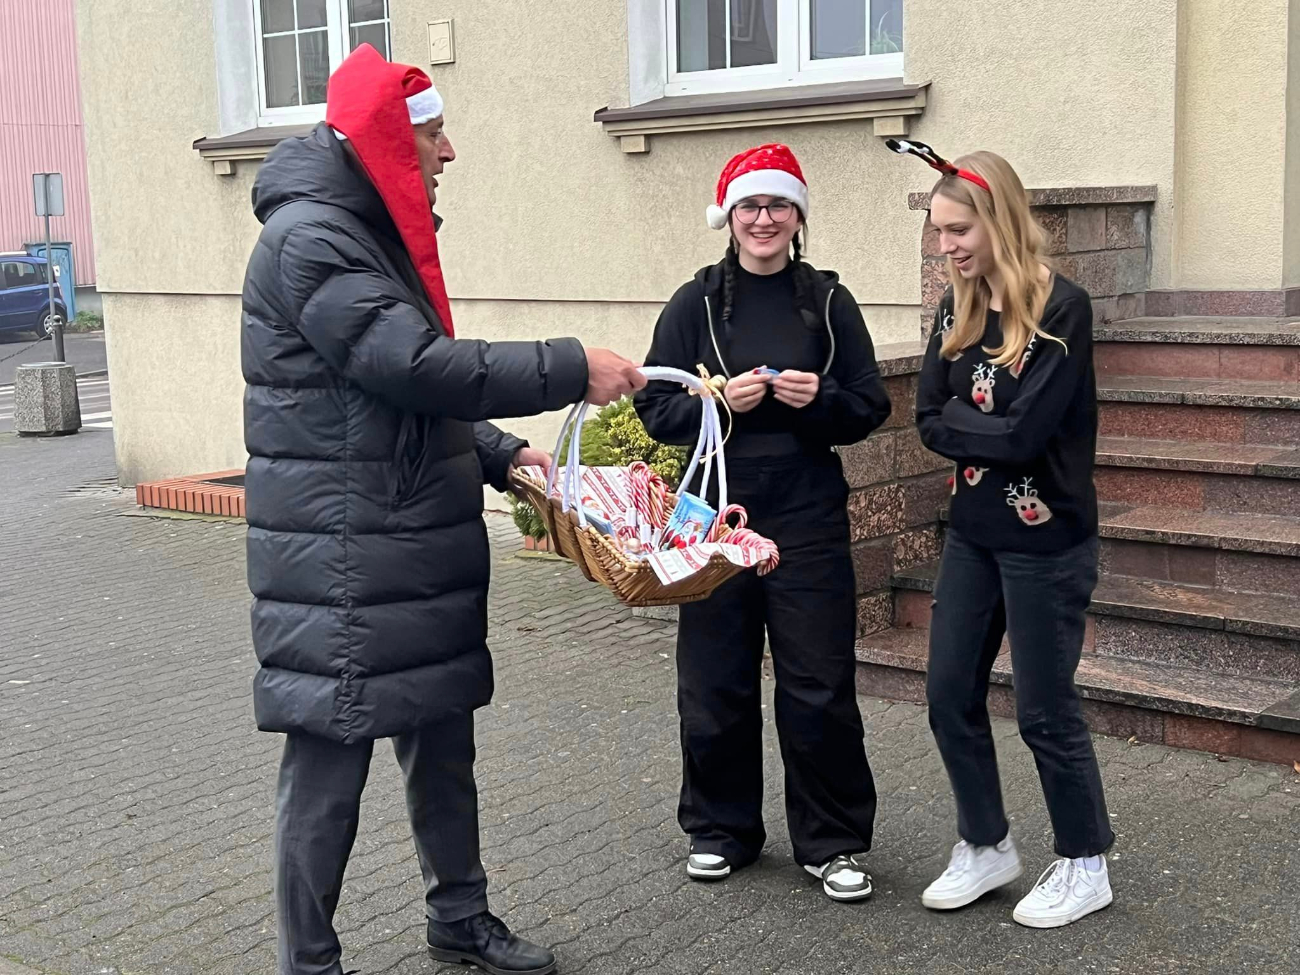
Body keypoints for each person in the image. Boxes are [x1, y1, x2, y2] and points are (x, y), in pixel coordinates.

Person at [241, 45, 644, 975]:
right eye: (433, 134)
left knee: (442, 741)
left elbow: (394, 388)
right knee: (328, 769)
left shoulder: (360, 227)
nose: (449, 152)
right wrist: (570, 365)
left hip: (404, 538)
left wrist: (503, 455)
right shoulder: (312, 238)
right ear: (388, 137)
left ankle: (460, 921)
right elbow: (410, 366)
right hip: (343, 557)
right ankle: (310, 962)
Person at [634, 144, 892, 902]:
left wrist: (823, 401)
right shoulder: (696, 303)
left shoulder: (831, 302)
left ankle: (833, 841)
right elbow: (655, 407)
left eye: (778, 205)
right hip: (714, 515)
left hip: (808, 510)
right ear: (730, 217)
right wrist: (717, 403)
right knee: (714, 680)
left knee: (818, 681)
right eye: (751, 206)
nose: (764, 219)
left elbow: (869, 406)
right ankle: (721, 831)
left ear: (798, 215)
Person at [892, 140, 1114, 928]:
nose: (946, 247)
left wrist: (970, 424)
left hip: (1046, 537)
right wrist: (979, 422)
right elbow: (926, 417)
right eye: (939, 231)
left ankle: (1086, 862)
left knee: (1045, 709)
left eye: (958, 230)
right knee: (949, 691)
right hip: (974, 533)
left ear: (999, 220)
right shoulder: (958, 305)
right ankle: (986, 844)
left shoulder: (1063, 309)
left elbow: (1026, 437)